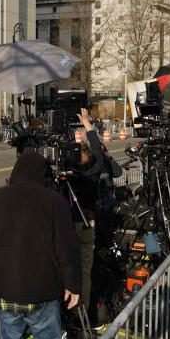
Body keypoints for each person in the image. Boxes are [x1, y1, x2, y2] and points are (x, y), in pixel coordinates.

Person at [0, 151, 81, 339]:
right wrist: (73, 286)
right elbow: (68, 249)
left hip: (3, 289)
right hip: (41, 290)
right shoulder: (55, 201)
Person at [68, 108, 105, 313]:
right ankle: (80, 311)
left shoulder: (70, 175)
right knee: (84, 271)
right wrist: (87, 123)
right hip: (86, 225)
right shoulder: (95, 170)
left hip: (68, 225)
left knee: (68, 267)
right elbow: (98, 149)